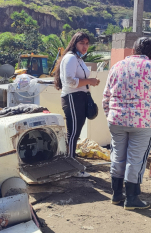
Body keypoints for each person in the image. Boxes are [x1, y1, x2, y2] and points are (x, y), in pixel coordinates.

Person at [103, 37, 151, 210]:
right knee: (135, 160)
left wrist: (111, 115)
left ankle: (116, 194)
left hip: (116, 119)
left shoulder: (117, 66)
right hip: (142, 122)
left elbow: (106, 95)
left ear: (133, 50)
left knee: (117, 156)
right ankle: (132, 198)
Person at [54, 32, 100, 178]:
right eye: (82, 43)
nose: (85, 46)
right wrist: (90, 81)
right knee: (73, 133)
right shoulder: (71, 58)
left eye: (87, 43)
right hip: (72, 98)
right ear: (74, 43)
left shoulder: (78, 58)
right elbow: (70, 82)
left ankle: (71, 166)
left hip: (80, 98)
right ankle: (72, 168)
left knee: (75, 133)